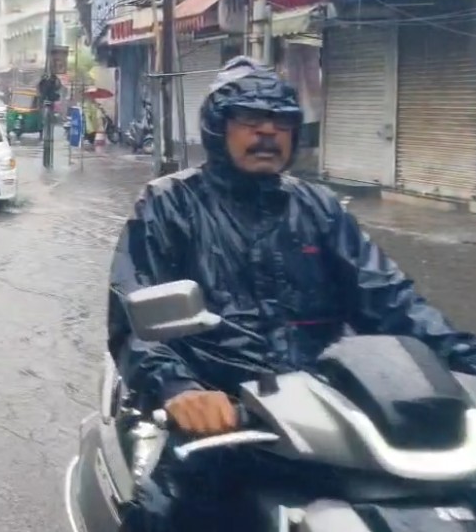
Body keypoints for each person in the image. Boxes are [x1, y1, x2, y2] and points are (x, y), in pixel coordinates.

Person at [108, 57, 476, 532]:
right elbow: (135, 317)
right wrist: (179, 389)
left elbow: (389, 298)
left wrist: (463, 356)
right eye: (250, 118)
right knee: (169, 511)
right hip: (225, 417)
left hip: (325, 413)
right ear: (218, 128)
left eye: (281, 121)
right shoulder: (169, 203)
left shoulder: (318, 206)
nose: (267, 132)